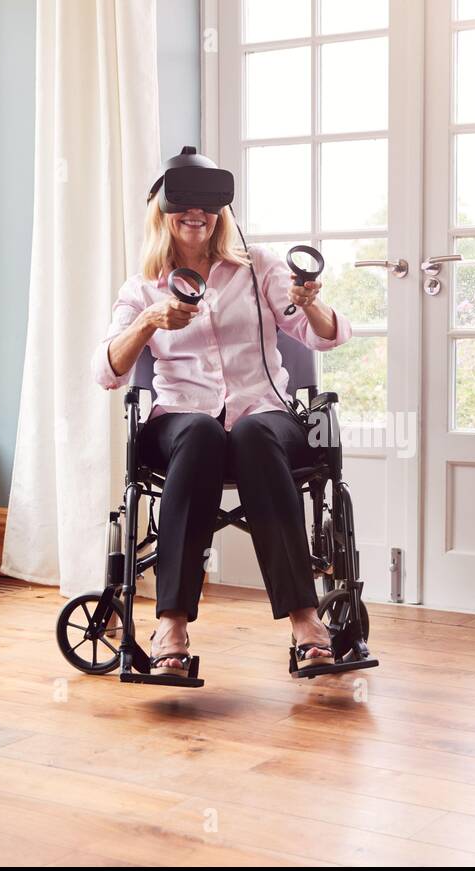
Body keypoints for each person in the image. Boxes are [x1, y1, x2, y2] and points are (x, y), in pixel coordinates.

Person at [92, 148, 350, 678]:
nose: (196, 214)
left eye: (208, 204)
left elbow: (323, 337)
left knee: (253, 433)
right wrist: (148, 322)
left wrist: (310, 303)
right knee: (202, 434)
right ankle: (172, 624)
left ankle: (305, 621)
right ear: (162, 211)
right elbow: (107, 371)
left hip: (265, 413)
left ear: (221, 211)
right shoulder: (142, 287)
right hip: (182, 422)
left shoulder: (260, 268)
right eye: (183, 203)